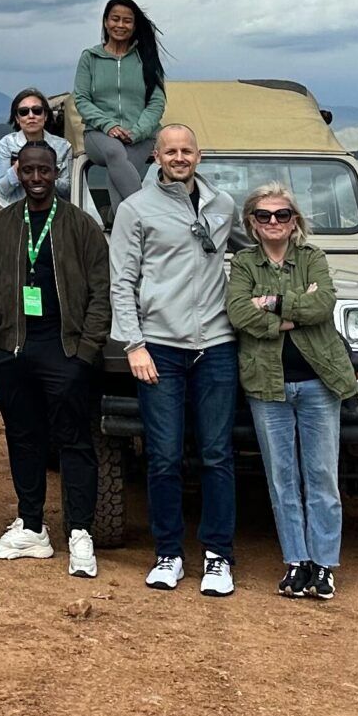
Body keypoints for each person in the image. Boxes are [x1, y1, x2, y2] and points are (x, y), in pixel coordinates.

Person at [110, 123, 241, 594]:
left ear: (199, 156)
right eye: (171, 151)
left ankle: (217, 555)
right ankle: (168, 552)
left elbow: (251, 250)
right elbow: (122, 281)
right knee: (164, 456)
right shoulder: (135, 210)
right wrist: (134, 343)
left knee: (216, 453)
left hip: (217, 344)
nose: (179, 158)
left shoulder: (222, 206)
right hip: (159, 345)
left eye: (187, 151)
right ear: (157, 157)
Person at [0, 140, 111, 576]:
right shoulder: (1, 224)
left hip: (65, 349)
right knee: (24, 437)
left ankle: (79, 533)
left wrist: (85, 353)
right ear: (17, 172)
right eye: (29, 171)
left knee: (74, 440)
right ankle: (32, 527)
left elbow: (100, 293)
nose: (36, 178)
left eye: (45, 171)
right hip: (13, 350)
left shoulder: (80, 226)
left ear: (56, 173)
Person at [226, 182, 355, 601]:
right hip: (268, 383)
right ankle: (296, 560)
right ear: (251, 223)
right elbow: (239, 311)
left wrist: (272, 303)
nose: (274, 222)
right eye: (264, 216)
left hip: (319, 380)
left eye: (282, 214)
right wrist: (284, 314)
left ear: (294, 220)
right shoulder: (244, 263)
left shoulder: (312, 257)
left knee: (321, 475)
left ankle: (324, 563)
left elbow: (324, 305)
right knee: (282, 478)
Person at [73, 0, 167, 206]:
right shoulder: (90, 57)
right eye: (115, 19)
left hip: (142, 137)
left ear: (134, 26)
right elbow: (81, 99)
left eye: (127, 20)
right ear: (106, 22)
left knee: (118, 172)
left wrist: (136, 132)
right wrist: (110, 126)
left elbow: (156, 102)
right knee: (115, 151)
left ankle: (121, 228)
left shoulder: (147, 59)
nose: (120, 25)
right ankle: (146, 217)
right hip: (99, 134)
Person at [0, 88, 74, 211]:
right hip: (14, 212)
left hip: (51, 212)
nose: (31, 116)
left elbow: (67, 189)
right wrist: (17, 169)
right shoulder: (6, 145)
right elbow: (2, 189)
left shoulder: (62, 146)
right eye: (24, 112)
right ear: (17, 118)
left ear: (45, 116)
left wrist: (45, 177)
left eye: (37, 111)